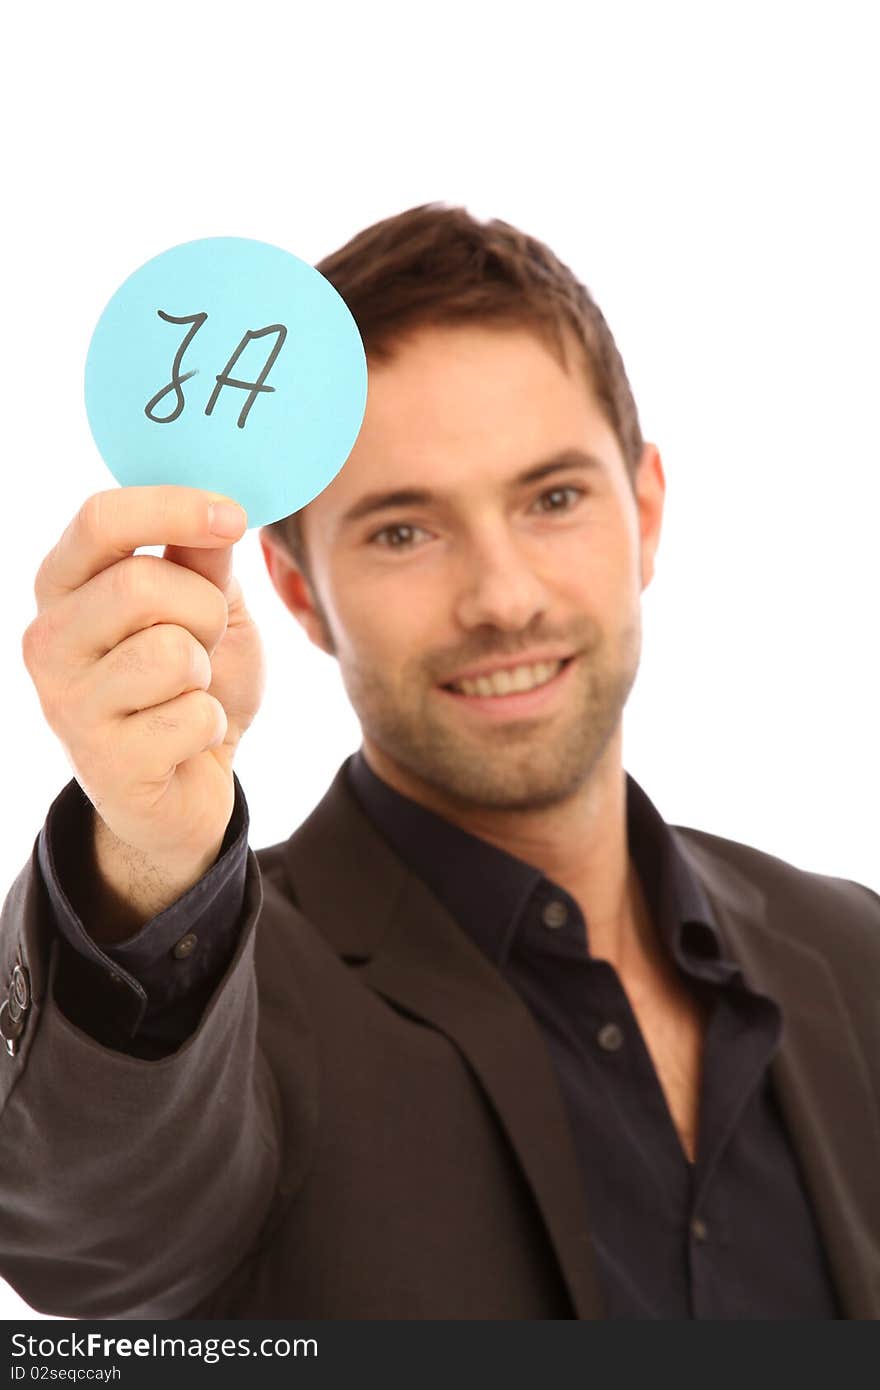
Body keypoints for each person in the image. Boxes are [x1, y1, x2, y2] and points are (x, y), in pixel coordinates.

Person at [0, 204, 877, 1322]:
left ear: (645, 511)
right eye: (403, 531)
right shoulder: (236, 1008)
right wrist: (145, 859)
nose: (502, 596)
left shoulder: (852, 951)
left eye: (553, 498)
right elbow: (86, 1241)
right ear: (298, 587)